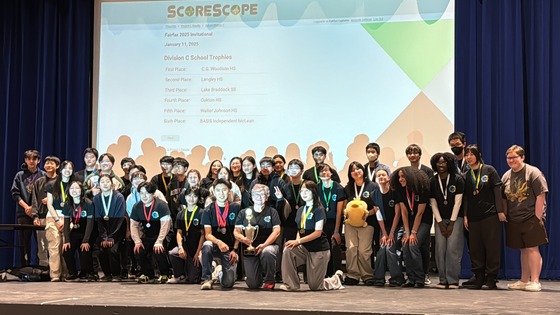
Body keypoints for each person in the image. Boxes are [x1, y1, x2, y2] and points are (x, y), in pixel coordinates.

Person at [280, 180, 344, 291]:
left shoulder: (319, 209)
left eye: (307, 191)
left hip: (319, 250)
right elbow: (300, 230)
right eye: (302, 191)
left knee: (315, 286)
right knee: (288, 250)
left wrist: (298, 242)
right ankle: (291, 285)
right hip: (304, 248)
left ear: (313, 192)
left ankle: (336, 279)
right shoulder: (300, 210)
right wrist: (295, 242)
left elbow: (317, 233)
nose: (304, 193)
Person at [502, 145, 549, 292]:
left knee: (532, 248)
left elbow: (541, 194)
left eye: (514, 157)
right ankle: (524, 280)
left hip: (531, 217)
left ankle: (535, 281)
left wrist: (537, 217)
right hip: (514, 218)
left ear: (522, 157)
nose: (511, 160)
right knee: (523, 250)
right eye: (508, 158)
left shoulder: (533, 173)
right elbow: (504, 197)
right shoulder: (506, 176)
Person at [461, 145, 503, 290]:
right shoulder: (465, 175)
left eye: (472, 154)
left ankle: (491, 278)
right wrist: (465, 215)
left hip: (490, 215)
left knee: (491, 247)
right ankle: (478, 278)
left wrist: (500, 211)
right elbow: (465, 198)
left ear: (478, 155)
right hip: (473, 217)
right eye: (467, 155)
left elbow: (497, 191)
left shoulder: (489, 170)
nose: (469, 157)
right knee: (475, 248)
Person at [343, 161, 385, 286]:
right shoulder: (348, 187)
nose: (356, 172)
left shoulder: (373, 186)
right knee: (351, 249)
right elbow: (345, 205)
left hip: (368, 223)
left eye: (358, 169)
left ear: (363, 170)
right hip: (350, 224)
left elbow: (378, 206)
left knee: (364, 250)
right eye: (353, 170)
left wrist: (368, 214)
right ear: (350, 174)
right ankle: (352, 275)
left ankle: (367, 275)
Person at [234, 184, 281, 289]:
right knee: (253, 285)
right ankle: (256, 276)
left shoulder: (272, 212)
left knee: (267, 252)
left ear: (267, 197)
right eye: (256, 194)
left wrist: (264, 245)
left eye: (262, 195)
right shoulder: (244, 213)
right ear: (252, 196)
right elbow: (236, 232)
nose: (259, 197)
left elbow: (276, 231)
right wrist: (243, 238)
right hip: (250, 249)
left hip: (269, 246)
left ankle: (269, 279)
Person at [391, 166, 431, 288]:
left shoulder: (422, 189)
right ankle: (411, 278)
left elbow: (420, 213)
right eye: (399, 177)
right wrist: (407, 232)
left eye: (403, 176)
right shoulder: (401, 190)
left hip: (424, 221)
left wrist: (413, 233)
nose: (400, 179)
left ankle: (420, 278)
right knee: (405, 244)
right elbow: (404, 212)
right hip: (409, 221)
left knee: (413, 244)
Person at [429, 152, 465, 289]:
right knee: (440, 249)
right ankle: (443, 279)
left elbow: (458, 203)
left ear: (449, 163)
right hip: (439, 219)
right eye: (438, 162)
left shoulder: (458, 179)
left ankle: (453, 280)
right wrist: (439, 222)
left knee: (452, 249)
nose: (441, 165)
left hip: (455, 219)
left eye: (444, 162)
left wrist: (452, 222)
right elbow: (433, 203)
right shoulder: (432, 181)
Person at [200, 179, 241, 290]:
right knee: (207, 245)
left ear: (229, 191)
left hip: (229, 248)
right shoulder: (208, 210)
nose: (221, 193)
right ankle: (207, 278)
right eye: (218, 190)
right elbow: (208, 234)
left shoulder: (236, 208)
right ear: (213, 191)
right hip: (215, 245)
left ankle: (218, 272)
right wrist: (219, 242)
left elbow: (239, 231)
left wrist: (235, 250)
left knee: (228, 284)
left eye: (224, 190)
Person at [131, 182, 172, 284]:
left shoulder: (161, 205)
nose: (144, 196)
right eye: (141, 193)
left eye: (147, 193)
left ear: (153, 193)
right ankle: (147, 274)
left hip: (163, 235)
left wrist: (159, 241)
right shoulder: (137, 206)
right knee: (138, 250)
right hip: (147, 235)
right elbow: (133, 225)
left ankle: (165, 273)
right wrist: (137, 241)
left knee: (159, 249)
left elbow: (165, 225)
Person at [405, 144, 434, 284]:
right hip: (410, 216)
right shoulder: (405, 172)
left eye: (415, 152)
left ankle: (423, 274)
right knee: (408, 245)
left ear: (420, 154)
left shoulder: (427, 171)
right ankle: (411, 277)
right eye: (410, 153)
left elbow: (428, 191)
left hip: (425, 216)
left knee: (421, 245)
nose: (412, 155)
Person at [11, 149, 46, 266]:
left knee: (42, 242)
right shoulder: (19, 176)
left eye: (34, 159)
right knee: (24, 243)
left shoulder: (43, 175)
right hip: (23, 213)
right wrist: (27, 207)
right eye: (29, 159)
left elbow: (46, 195)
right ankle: (24, 267)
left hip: (40, 213)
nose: (31, 161)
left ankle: (42, 267)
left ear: (38, 160)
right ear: (25, 160)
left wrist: (34, 208)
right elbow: (15, 194)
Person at [373, 168, 405, 287]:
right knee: (382, 248)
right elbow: (379, 215)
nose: (381, 177)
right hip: (384, 227)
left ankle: (397, 278)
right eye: (378, 175)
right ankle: (379, 278)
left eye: (383, 175)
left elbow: (398, 214)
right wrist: (385, 234)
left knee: (390, 249)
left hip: (396, 225)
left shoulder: (394, 192)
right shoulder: (374, 194)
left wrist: (391, 233)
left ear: (388, 178)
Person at [168, 185, 205, 284]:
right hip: (186, 246)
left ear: (198, 198)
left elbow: (203, 235)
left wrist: (198, 253)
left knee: (193, 280)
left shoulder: (201, 213)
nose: (191, 198)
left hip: (197, 247)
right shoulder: (181, 214)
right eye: (189, 196)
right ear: (185, 197)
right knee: (173, 253)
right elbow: (179, 233)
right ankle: (179, 275)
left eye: (194, 196)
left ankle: (203, 272)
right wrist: (180, 247)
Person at [45, 160, 75, 281]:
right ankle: (55, 274)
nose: (67, 170)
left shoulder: (75, 185)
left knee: (66, 246)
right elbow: (49, 204)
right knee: (54, 246)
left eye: (70, 168)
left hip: (69, 217)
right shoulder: (52, 184)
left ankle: (66, 274)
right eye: (65, 168)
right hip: (53, 217)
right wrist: (57, 219)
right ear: (61, 169)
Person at [93, 174, 126, 281]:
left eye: (107, 181)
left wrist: (111, 237)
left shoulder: (119, 197)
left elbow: (120, 219)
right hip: (103, 228)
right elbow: (98, 219)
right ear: (99, 185)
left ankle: (116, 274)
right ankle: (107, 274)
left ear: (112, 184)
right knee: (101, 250)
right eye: (102, 182)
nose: (105, 184)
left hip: (117, 228)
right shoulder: (97, 198)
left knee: (113, 250)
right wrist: (104, 237)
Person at [61, 181, 96, 281]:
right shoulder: (68, 204)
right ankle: (73, 272)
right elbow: (67, 224)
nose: (74, 191)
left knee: (84, 250)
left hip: (88, 231)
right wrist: (66, 240)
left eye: (77, 188)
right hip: (76, 230)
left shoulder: (88, 203)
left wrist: (85, 240)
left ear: (81, 191)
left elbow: (90, 223)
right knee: (67, 251)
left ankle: (88, 272)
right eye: (72, 189)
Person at [317, 163, 346, 277]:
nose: (324, 173)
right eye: (321, 172)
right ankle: (325, 274)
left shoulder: (338, 188)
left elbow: (339, 212)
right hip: (321, 222)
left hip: (335, 221)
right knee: (324, 247)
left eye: (326, 171)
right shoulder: (317, 187)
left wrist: (336, 231)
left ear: (331, 173)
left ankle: (337, 274)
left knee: (334, 246)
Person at [31, 155, 60, 267]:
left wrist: (51, 199)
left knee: (54, 245)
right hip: (42, 217)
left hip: (55, 217)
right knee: (41, 245)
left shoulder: (60, 181)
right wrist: (35, 216)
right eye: (47, 163)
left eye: (52, 163)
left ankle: (55, 269)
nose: (48, 165)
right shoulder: (39, 181)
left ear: (57, 166)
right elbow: (34, 200)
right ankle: (43, 268)